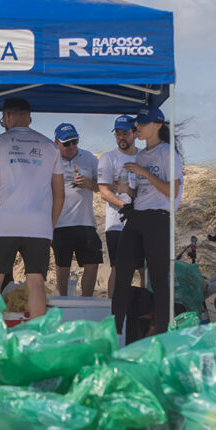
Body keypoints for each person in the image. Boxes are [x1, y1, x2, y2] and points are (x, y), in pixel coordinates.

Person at [0, 97, 64, 318]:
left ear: (6, 117)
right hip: (38, 225)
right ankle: (37, 333)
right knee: (36, 283)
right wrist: (50, 225)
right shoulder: (50, 147)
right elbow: (60, 195)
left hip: (5, 223)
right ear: (29, 119)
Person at [112, 105, 183, 338]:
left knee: (158, 279)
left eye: (142, 124)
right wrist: (126, 190)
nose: (138, 128)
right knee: (122, 274)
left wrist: (144, 173)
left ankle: (162, 334)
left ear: (158, 125)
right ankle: (115, 332)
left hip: (158, 219)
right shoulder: (141, 155)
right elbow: (142, 193)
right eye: (137, 124)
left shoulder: (167, 153)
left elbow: (172, 191)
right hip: (138, 216)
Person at [52, 122, 102, 297]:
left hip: (85, 221)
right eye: (67, 143)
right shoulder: (50, 160)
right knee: (62, 266)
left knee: (92, 263)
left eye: (75, 142)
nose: (72, 146)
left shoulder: (88, 158)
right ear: (57, 142)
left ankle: (87, 300)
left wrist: (89, 183)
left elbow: (103, 187)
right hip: (60, 223)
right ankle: (63, 300)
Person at [97, 115, 145, 297]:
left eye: (125, 133)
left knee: (143, 268)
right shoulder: (108, 158)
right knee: (118, 267)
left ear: (135, 133)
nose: (121, 138)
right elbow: (104, 192)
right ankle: (113, 307)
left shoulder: (145, 157)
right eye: (117, 134)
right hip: (116, 223)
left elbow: (149, 191)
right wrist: (126, 207)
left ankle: (145, 306)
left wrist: (130, 193)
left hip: (142, 221)